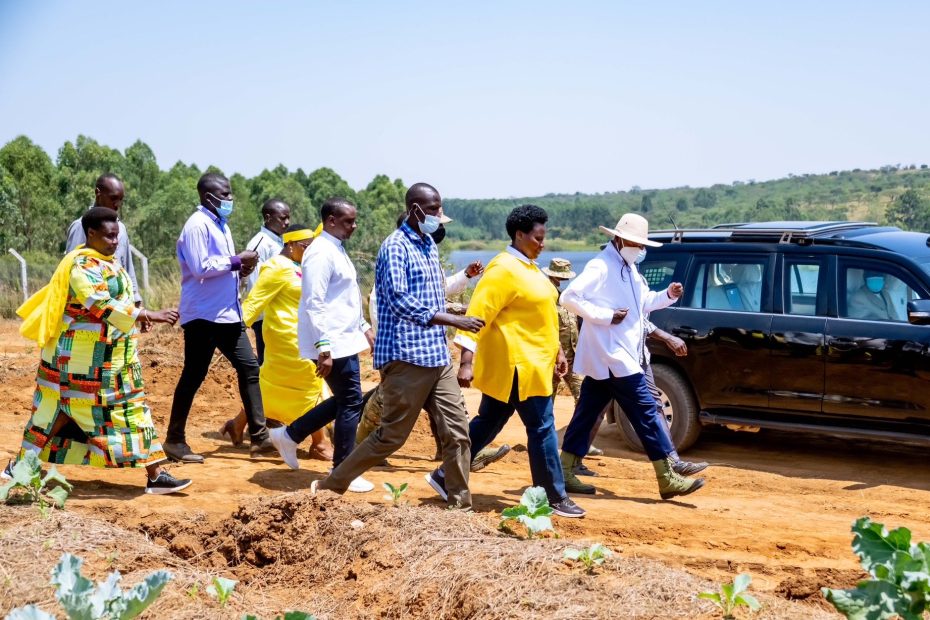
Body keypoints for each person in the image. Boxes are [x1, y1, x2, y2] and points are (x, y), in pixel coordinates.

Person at [309, 183, 483, 509]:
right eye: (433, 210)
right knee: (391, 436)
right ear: (415, 209)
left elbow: (434, 293)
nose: (438, 217)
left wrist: (454, 310)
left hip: (436, 355)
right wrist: (452, 320)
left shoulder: (429, 245)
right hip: (406, 356)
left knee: (457, 433)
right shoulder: (395, 247)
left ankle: (461, 505)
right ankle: (332, 486)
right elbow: (400, 301)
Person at [5, 207, 190, 494]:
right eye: (109, 236)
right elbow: (100, 303)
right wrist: (148, 314)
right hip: (76, 363)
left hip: (112, 361)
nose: (115, 241)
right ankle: (19, 467)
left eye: (117, 236)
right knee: (57, 415)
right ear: (91, 233)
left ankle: (156, 474)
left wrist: (137, 318)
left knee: (132, 411)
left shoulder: (107, 261)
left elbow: (121, 299)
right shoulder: (81, 266)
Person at [439, 205, 586, 518]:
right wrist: (466, 360)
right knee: (543, 427)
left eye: (544, 237)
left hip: (535, 363)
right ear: (519, 235)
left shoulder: (530, 268)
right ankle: (553, 496)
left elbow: (543, 316)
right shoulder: (503, 269)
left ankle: (443, 476)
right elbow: (478, 313)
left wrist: (559, 350)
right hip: (519, 365)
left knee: (488, 422)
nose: (542, 243)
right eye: (537, 237)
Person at [558, 213, 705, 500]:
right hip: (614, 356)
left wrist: (668, 295)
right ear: (620, 238)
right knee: (647, 412)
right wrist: (606, 316)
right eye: (637, 243)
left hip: (618, 356)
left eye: (642, 244)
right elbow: (569, 297)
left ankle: (564, 470)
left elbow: (644, 303)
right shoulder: (601, 266)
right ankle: (667, 476)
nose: (640, 249)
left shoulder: (628, 268)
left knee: (587, 413)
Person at [359, 214, 509, 470]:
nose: (440, 229)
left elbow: (438, 289)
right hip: (404, 353)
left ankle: (461, 455)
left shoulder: (427, 252)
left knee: (449, 407)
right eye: (438, 223)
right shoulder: (398, 252)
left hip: (431, 350)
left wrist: (464, 275)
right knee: (384, 404)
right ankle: (359, 449)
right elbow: (391, 303)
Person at [267, 198, 376, 492]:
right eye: (348, 221)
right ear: (330, 220)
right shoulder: (319, 253)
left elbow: (344, 298)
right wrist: (323, 349)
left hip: (344, 337)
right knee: (352, 400)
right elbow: (314, 302)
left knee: (345, 400)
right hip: (332, 341)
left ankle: (289, 435)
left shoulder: (335, 248)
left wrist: (365, 328)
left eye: (354, 221)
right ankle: (342, 469)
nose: (353, 226)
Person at [166, 173, 273, 463]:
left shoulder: (220, 225)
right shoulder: (197, 225)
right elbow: (201, 267)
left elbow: (222, 267)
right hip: (203, 315)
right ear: (208, 197)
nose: (230, 199)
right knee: (194, 375)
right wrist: (238, 260)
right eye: (224, 195)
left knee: (250, 367)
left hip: (226, 314)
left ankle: (260, 438)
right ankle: (174, 440)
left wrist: (241, 269)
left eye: (229, 194)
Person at [217, 224, 333, 461]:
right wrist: (231, 331)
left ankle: (237, 424)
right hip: (286, 338)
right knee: (311, 385)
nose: (309, 251)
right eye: (305, 247)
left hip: (303, 336)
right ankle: (320, 444)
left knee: (269, 386)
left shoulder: (298, 266)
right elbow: (254, 302)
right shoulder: (276, 267)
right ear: (290, 245)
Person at [65, 173, 142, 309]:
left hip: (120, 310)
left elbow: (127, 266)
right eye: (113, 198)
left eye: (120, 199)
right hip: (92, 310)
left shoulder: (121, 228)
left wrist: (136, 302)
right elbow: (71, 269)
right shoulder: (82, 226)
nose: (117, 204)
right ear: (97, 193)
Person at [242, 199, 291, 364]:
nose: (287, 222)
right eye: (282, 218)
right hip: (265, 318)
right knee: (268, 363)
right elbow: (256, 285)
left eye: (288, 218)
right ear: (268, 217)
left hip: (281, 316)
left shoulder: (279, 241)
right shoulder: (260, 243)